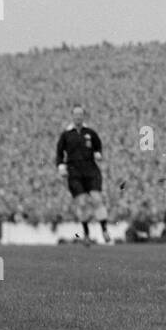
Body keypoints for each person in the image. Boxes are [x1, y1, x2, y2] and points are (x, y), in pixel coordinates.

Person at [54, 104, 110, 244]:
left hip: (91, 170)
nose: (78, 117)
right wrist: (61, 167)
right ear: (72, 116)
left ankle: (104, 229)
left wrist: (98, 154)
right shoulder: (66, 135)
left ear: (83, 116)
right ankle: (86, 234)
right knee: (82, 203)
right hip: (74, 172)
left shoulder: (90, 133)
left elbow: (98, 147)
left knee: (97, 198)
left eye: (80, 114)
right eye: (76, 114)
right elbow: (59, 153)